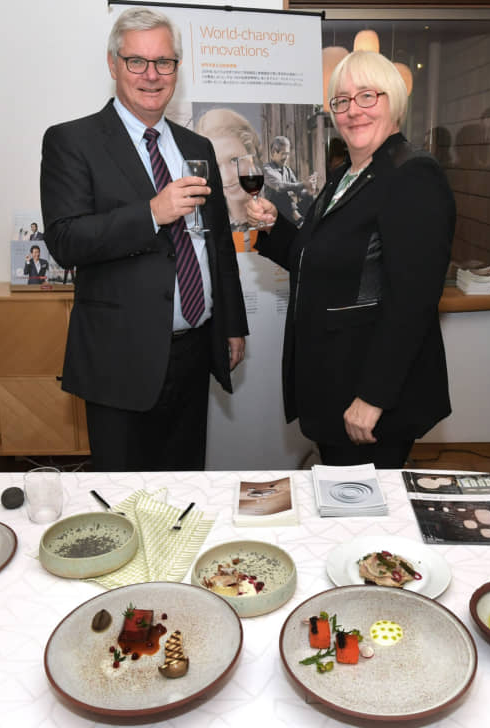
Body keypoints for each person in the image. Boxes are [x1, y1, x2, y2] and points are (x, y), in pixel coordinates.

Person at [40, 7, 248, 471]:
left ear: (176, 68)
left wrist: (231, 324)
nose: (151, 75)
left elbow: (216, 246)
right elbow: (66, 240)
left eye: (164, 63)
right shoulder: (72, 142)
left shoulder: (197, 148)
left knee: (185, 488)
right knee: (125, 499)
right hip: (121, 357)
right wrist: (152, 213)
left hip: (195, 349)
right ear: (113, 65)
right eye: (137, 62)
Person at [247, 51, 455, 468]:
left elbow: (413, 301)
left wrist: (374, 396)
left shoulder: (413, 175)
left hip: (369, 394)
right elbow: (322, 261)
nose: (352, 111)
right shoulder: (348, 173)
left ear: (393, 101)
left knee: (364, 518)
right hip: (333, 380)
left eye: (366, 97)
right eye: (341, 101)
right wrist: (275, 229)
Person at [194, 107, 262, 250]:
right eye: (216, 165)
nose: (227, 176)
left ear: (251, 154)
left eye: (234, 160)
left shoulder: (279, 216)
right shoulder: (203, 225)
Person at [263, 136, 315, 227]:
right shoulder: (267, 169)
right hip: (274, 211)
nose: (286, 157)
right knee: (282, 191)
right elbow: (280, 187)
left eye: (288, 154)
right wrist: (303, 184)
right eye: (283, 154)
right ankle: (299, 219)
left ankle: (312, 221)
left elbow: (299, 191)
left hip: (287, 211)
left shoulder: (287, 170)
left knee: (311, 198)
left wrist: (309, 192)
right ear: (274, 152)